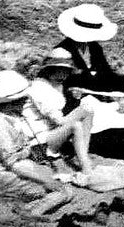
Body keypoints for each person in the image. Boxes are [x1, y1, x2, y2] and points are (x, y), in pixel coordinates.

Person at [0, 71, 79, 215]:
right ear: (11, 101)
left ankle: (32, 207)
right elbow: (11, 161)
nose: (26, 101)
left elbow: (22, 150)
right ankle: (32, 211)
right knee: (59, 191)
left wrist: (39, 168)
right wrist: (41, 175)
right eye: (22, 99)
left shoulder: (14, 117)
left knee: (65, 190)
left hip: (19, 165)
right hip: (1, 171)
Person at [24, 49, 97, 181]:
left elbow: (60, 109)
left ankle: (82, 155)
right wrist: (78, 112)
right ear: (48, 70)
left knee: (88, 110)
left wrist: (73, 98)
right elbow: (58, 120)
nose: (62, 74)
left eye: (65, 71)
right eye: (58, 70)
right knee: (76, 125)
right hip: (39, 141)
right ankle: (86, 168)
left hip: (51, 134)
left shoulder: (54, 85)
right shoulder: (39, 87)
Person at [55, 3, 124, 107]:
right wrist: (71, 92)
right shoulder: (62, 51)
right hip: (72, 106)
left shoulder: (94, 47)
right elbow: (57, 85)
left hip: (96, 103)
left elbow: (106, 74)